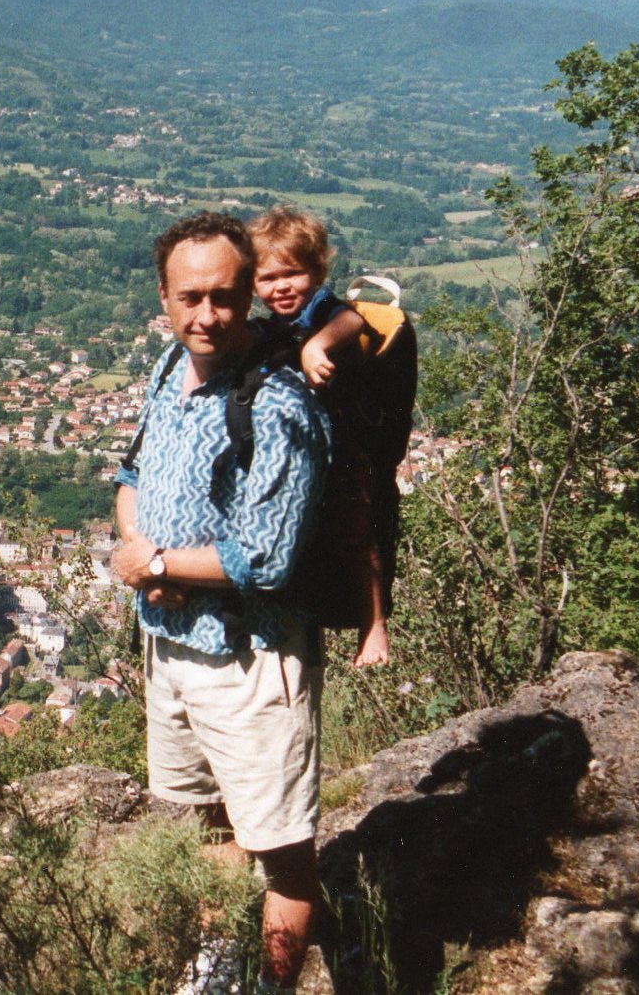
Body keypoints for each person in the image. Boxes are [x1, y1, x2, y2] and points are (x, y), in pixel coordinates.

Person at [109, 211, 331, 992]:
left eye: (225, 297)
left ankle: (269, 988)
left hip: (248, 661)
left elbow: (263, 557)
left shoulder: (277, 406)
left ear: (248, 297)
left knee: (281, 852)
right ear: (164, 300)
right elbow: (131, 476)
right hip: (168, 643)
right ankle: (214, 974)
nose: (206, 316)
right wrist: (138, 556)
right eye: (189, 297)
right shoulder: (170, 368)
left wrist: (161, 561)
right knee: (203, 822)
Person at [249, 205, 390, 668]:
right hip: (302, 446)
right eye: (268, 278)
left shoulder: (320, 310)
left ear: (317, 271)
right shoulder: (271, 325)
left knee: (354, 531)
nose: (282, 286)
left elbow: (353, 321)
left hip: (342, 447)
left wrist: (318, 343)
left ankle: (374, 626)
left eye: (294, 273)